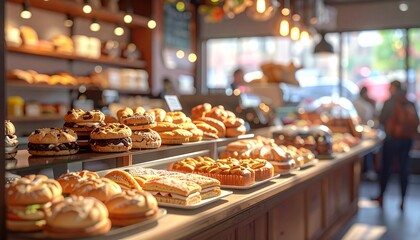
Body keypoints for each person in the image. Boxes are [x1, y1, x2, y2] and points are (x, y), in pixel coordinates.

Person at [373, 80, 419, 210]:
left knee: (386, 168)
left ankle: (382, 196)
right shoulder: (410, 102)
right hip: (406, 140)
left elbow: (382, 120)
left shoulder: (389, 102)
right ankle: (403, 200)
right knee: (404, 170)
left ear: (393, 88)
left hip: (391, 140)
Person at [353, 86, 377, 181]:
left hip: (359, 130)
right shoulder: (365, 105)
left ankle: (367, 170)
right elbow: (369, 117)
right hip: (360, 130)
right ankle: (368, 170)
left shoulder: (357, 103)